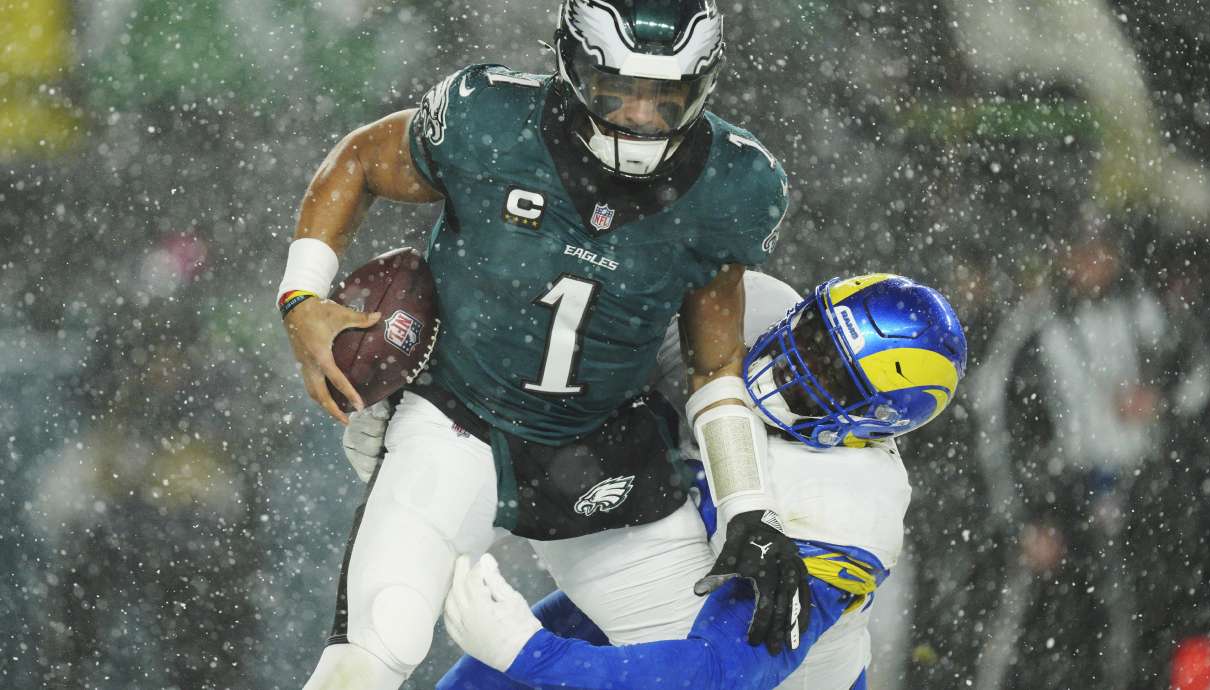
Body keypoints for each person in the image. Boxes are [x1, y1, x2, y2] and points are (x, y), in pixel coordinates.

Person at [277, 2, 804, 687]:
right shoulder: (489, 118)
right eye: (619, 88)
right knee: (379, 639)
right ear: (574, 66)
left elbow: (715, 363)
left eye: (665, 96)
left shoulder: (731, 185)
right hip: (456, 423)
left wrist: (747, 507)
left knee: (703, 669)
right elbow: (361, 161)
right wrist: (301, 295)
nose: (641, 117)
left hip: (602, 447)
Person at [434, 273, 968, 689]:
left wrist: (532, 653)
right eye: (812, 335)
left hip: (753, 670)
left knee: (523, 658)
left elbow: (716, 674)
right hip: (690, 564)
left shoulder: (844, 514)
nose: (794, 365)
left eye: (831, 377)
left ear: (871, 424)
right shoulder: (755, 307)